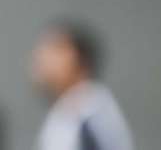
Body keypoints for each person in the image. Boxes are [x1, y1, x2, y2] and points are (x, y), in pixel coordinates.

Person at [31, 20, 133, 150]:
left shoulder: (91, 117)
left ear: (77, 57)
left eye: (55, 49)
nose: (42, 57)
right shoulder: (68, 111)